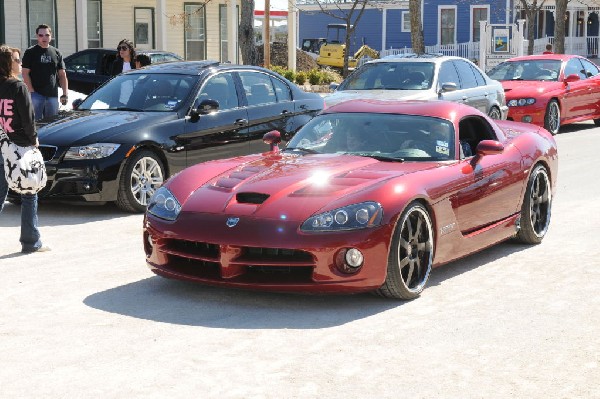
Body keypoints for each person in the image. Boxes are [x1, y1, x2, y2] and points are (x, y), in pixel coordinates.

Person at [0, 45, 50, 253]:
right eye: (17, 60)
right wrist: (34, 140)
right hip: (20, 146)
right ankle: (30, 242)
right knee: (30, 191)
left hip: (1, 146)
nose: (20, 64)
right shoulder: (18, 87)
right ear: (7, 63)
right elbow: (29, 120)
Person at [21, 24, 69, 120]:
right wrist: (32, 92)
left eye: (47, 35)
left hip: (52, 95)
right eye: (41, 35)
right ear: (37, 36)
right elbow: (25, 73)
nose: (44, 37)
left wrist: (65, 94)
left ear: (51, 36)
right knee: (35, 123)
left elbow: (62, 75)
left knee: (51, 124)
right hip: (36, 94)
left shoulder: (56, 52)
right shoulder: (30, 52)